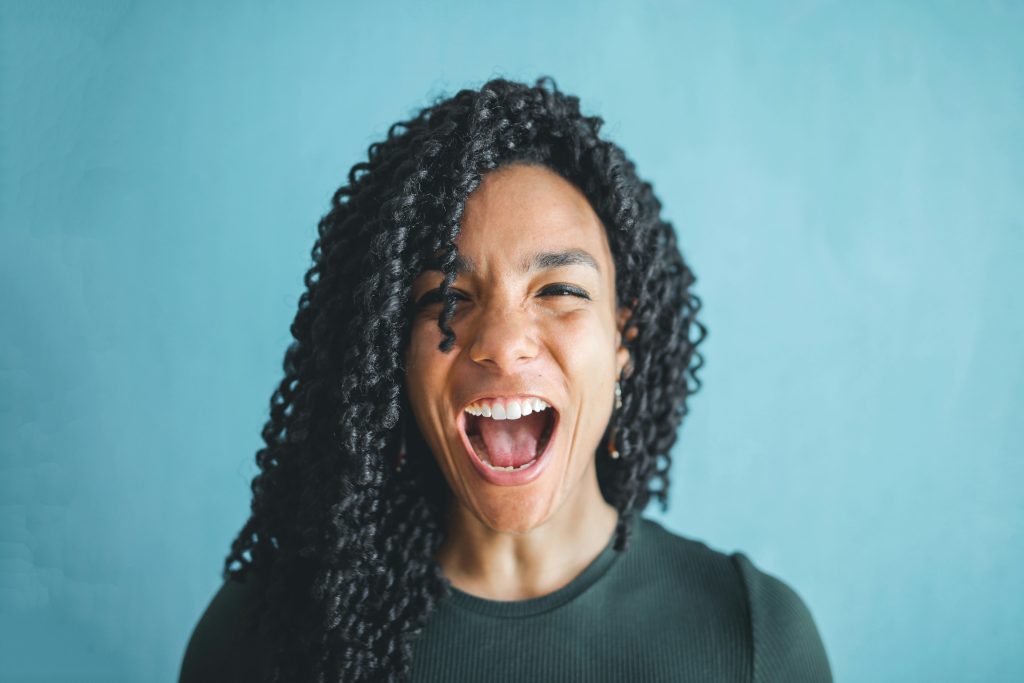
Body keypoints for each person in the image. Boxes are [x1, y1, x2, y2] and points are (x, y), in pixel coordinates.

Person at [178, 76, 832, 682]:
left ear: (622, 340)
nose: (503, 342)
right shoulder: (259, 635)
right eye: (445, 297)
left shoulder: (752, 635)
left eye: (560, 289)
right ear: (391, 354)